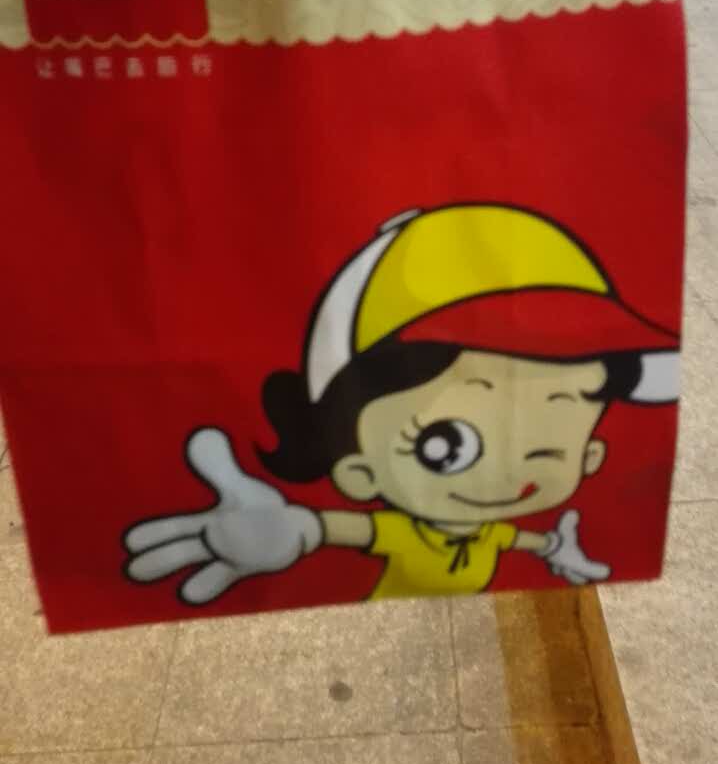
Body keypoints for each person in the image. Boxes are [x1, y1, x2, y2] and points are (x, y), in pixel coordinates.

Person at [124, 203, 679, 605]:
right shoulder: (406, 530)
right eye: (446, 444)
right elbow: (349, 532)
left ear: (590, 455)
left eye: (553, 438)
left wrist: (554, 547)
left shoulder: (487, 530)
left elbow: (513, 536)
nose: (515, 465)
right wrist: (301, 530)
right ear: (358, 471)